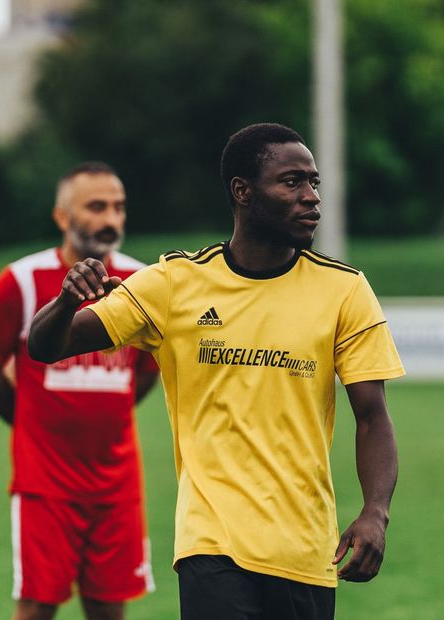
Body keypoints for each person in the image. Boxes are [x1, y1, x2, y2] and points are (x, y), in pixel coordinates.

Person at [27, 124, 405, 620]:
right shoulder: (175, 283)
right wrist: (66, 301)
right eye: (291, 182)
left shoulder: (345, 290)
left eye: (314, 183)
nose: (311, 197)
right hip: (212, 545)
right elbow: (46, 345)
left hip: (305, 550)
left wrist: (375, 512)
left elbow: (373, 417)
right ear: (242, 191)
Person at [0, 162, 161, 620]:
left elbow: (150, 368)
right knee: (37, 606)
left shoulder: (143, 283)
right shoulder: (19, 280)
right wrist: (29, 421)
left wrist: (114, 416)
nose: (110, 218)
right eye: (96, 207)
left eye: (118, 207)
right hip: (45, 485)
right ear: (62, 216)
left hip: (117, 483)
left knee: (108, 608)